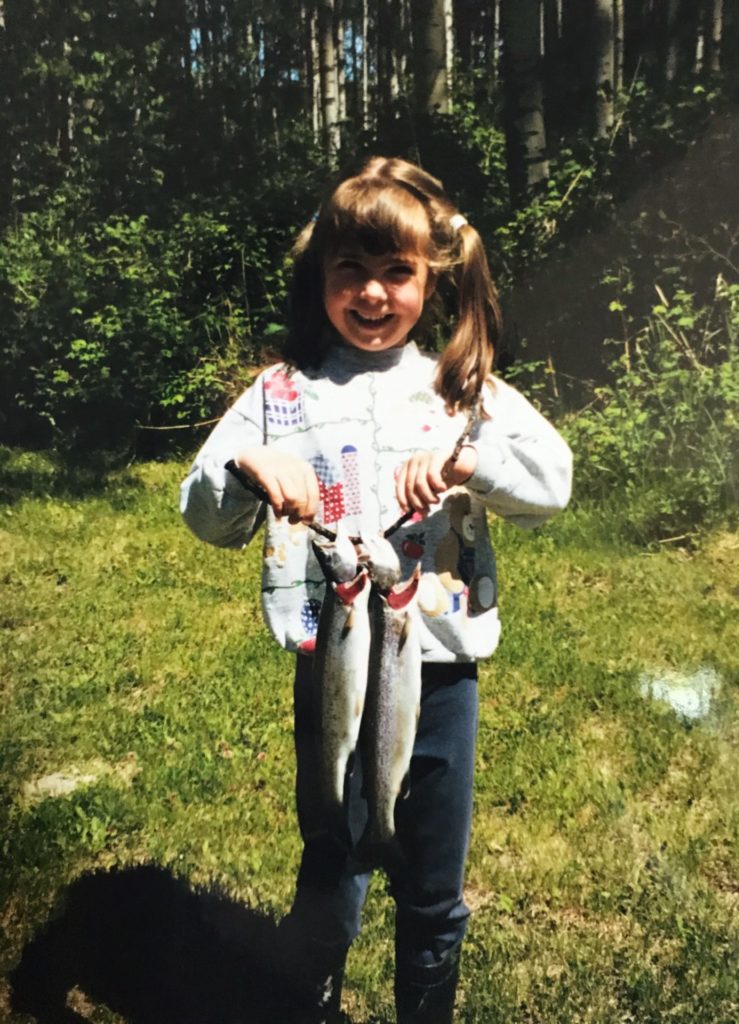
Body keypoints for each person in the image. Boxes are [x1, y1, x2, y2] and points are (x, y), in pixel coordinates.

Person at [180, 156, 572, 1024]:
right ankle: (306, 997)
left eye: (396, 272)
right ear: (319, 276)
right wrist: (246, 466)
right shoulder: (279, 396)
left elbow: (554, 487)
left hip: (440, 675)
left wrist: (476, 460)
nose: (370, 294)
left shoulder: (461, 392)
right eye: (348, 270)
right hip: (333, 670)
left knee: (433, 887)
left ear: (432, 279)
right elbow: (204, 514)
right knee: (335, 861)